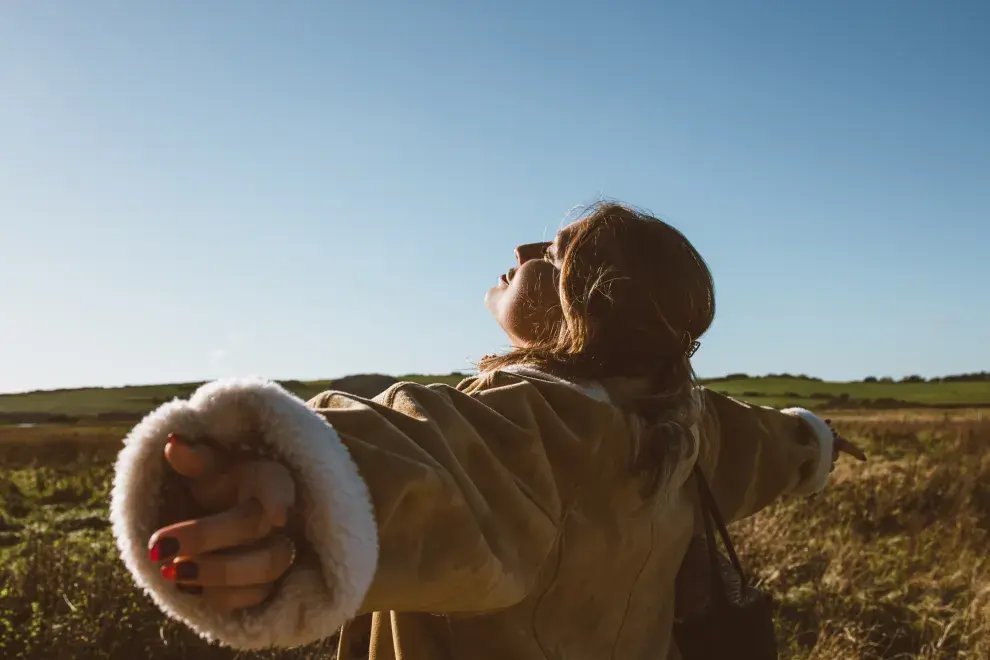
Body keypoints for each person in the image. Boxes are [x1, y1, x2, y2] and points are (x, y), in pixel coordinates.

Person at [110, 201, 866, 659]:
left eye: (556, 251)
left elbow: (431, 457)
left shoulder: (534, 430)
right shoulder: (680, 422)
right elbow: (765, 443)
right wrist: (818, 439)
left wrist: (286, 469)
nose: (523, 251)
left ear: (590, 304)